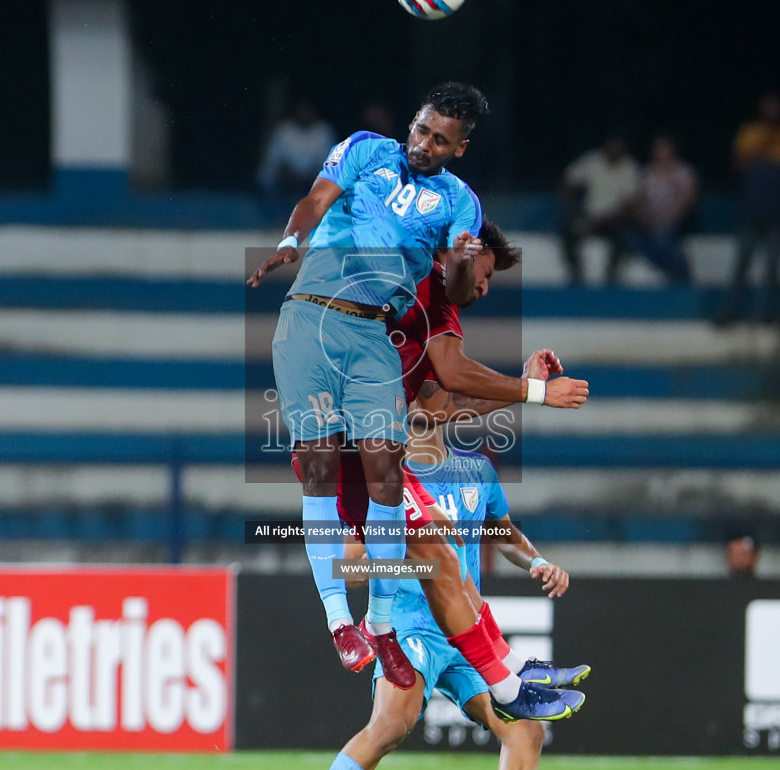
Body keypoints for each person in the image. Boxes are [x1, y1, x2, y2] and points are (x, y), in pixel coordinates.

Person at [247, 83, 522, 704]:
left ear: (460, 148)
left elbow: (452, 287)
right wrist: (291, 241)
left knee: (387, 476)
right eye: (422, 130)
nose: (423, 145)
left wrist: (460, 259)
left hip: (371, 332)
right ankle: (340, 622)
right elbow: (315, 199)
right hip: (312, 316)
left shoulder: (460, 202)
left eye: (439, 141)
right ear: (415, 121)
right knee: (318, 468)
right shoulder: (367, 151)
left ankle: (383, 624)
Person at [274, 413, 582, 770]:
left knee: (525, 728)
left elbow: (503, 534)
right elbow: (349, 568)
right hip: (409, 626)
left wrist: (536, 560)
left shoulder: (476, 470)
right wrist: (419, 565)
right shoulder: (385, 477)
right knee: (389, 727)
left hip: (466, 635)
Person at [309, 221, 591, 722]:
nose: (484, 288)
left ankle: (510, 674)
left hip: (451, 624)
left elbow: (450, 401)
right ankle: (374, 630)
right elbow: (345, 562)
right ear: (461, 252)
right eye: (484, 274)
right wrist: (535, 393)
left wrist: (522, 385)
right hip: (409, 612)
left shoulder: (471, 467)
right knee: (384, 732)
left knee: (444, 553)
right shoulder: (408, 294)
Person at [717, 94, 780, 325]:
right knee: (741, 264)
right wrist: (764, 143)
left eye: (777, 107)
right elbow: (738, 163)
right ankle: (731, 312)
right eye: (768, 107)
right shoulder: (749, 133)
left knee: (773, 267)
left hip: (778, 211)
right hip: (750, 210)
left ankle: (769, 313)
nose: (772, 111)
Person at [558, 135, 643, 286]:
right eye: (610, 146)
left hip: (614, 219)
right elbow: (568, 179)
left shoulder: (629, 166)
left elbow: (631, 203)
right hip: (590, 219)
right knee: (567, 229)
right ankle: (576, 272)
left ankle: (612, 275)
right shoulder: (593, 160)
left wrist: (605, 219)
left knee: (623, 232)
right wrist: (573, 207)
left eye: (617, 146)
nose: (613, 150)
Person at [632, 135, 696, 284]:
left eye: (664, 149)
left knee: (663, 236)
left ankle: (681, 276)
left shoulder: (682, 171)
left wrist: (670, 217)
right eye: (658, 149)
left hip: (677, 219)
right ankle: (668, 271)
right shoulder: (647, 173)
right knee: (633, 239)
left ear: (671, 151)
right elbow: (640, 199)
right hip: (651, 220)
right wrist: (642, 216)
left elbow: (688, 199)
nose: (660, 152)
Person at [256, 101, 337, 217]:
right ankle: (274, 218)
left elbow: (330, 162)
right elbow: (274, 159)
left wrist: (311, 174)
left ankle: (320, 219)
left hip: (313, 176)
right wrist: (288, 173)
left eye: (307, 111)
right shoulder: (284, 129)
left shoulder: (323, 130)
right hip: (288, 176)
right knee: (265, 176)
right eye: (301, 110)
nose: (304, 114)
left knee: (332, 180)